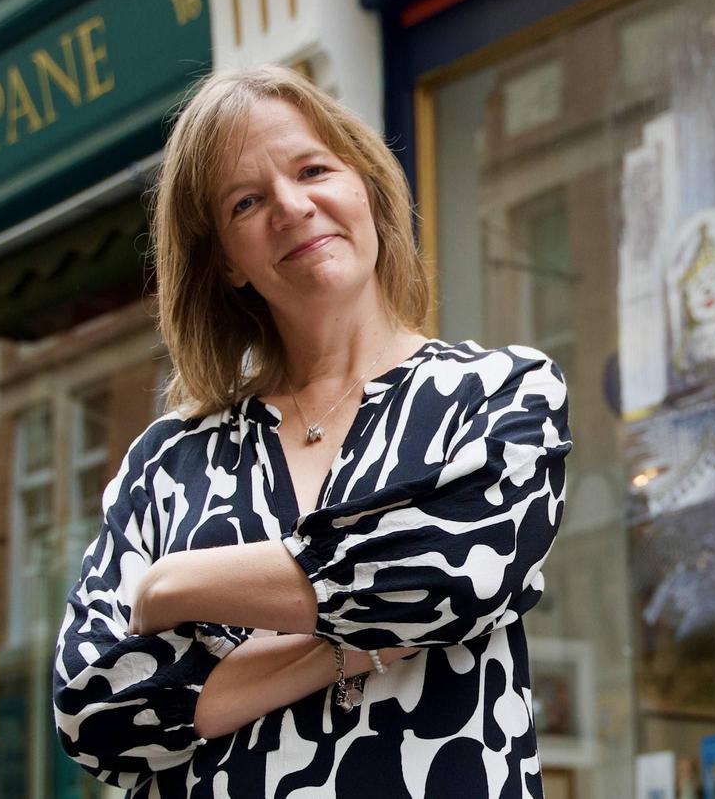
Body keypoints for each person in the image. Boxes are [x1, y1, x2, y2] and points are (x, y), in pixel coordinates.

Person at [53, 65, 571, 798]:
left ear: (363, 185)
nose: (293, 207)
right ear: (227, 261)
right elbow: (97, 712)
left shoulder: (497, 393)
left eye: (313, 169)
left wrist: (179, 584)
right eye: (246, 201)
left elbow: (449, 574)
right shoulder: (167, 464)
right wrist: (345, 650)